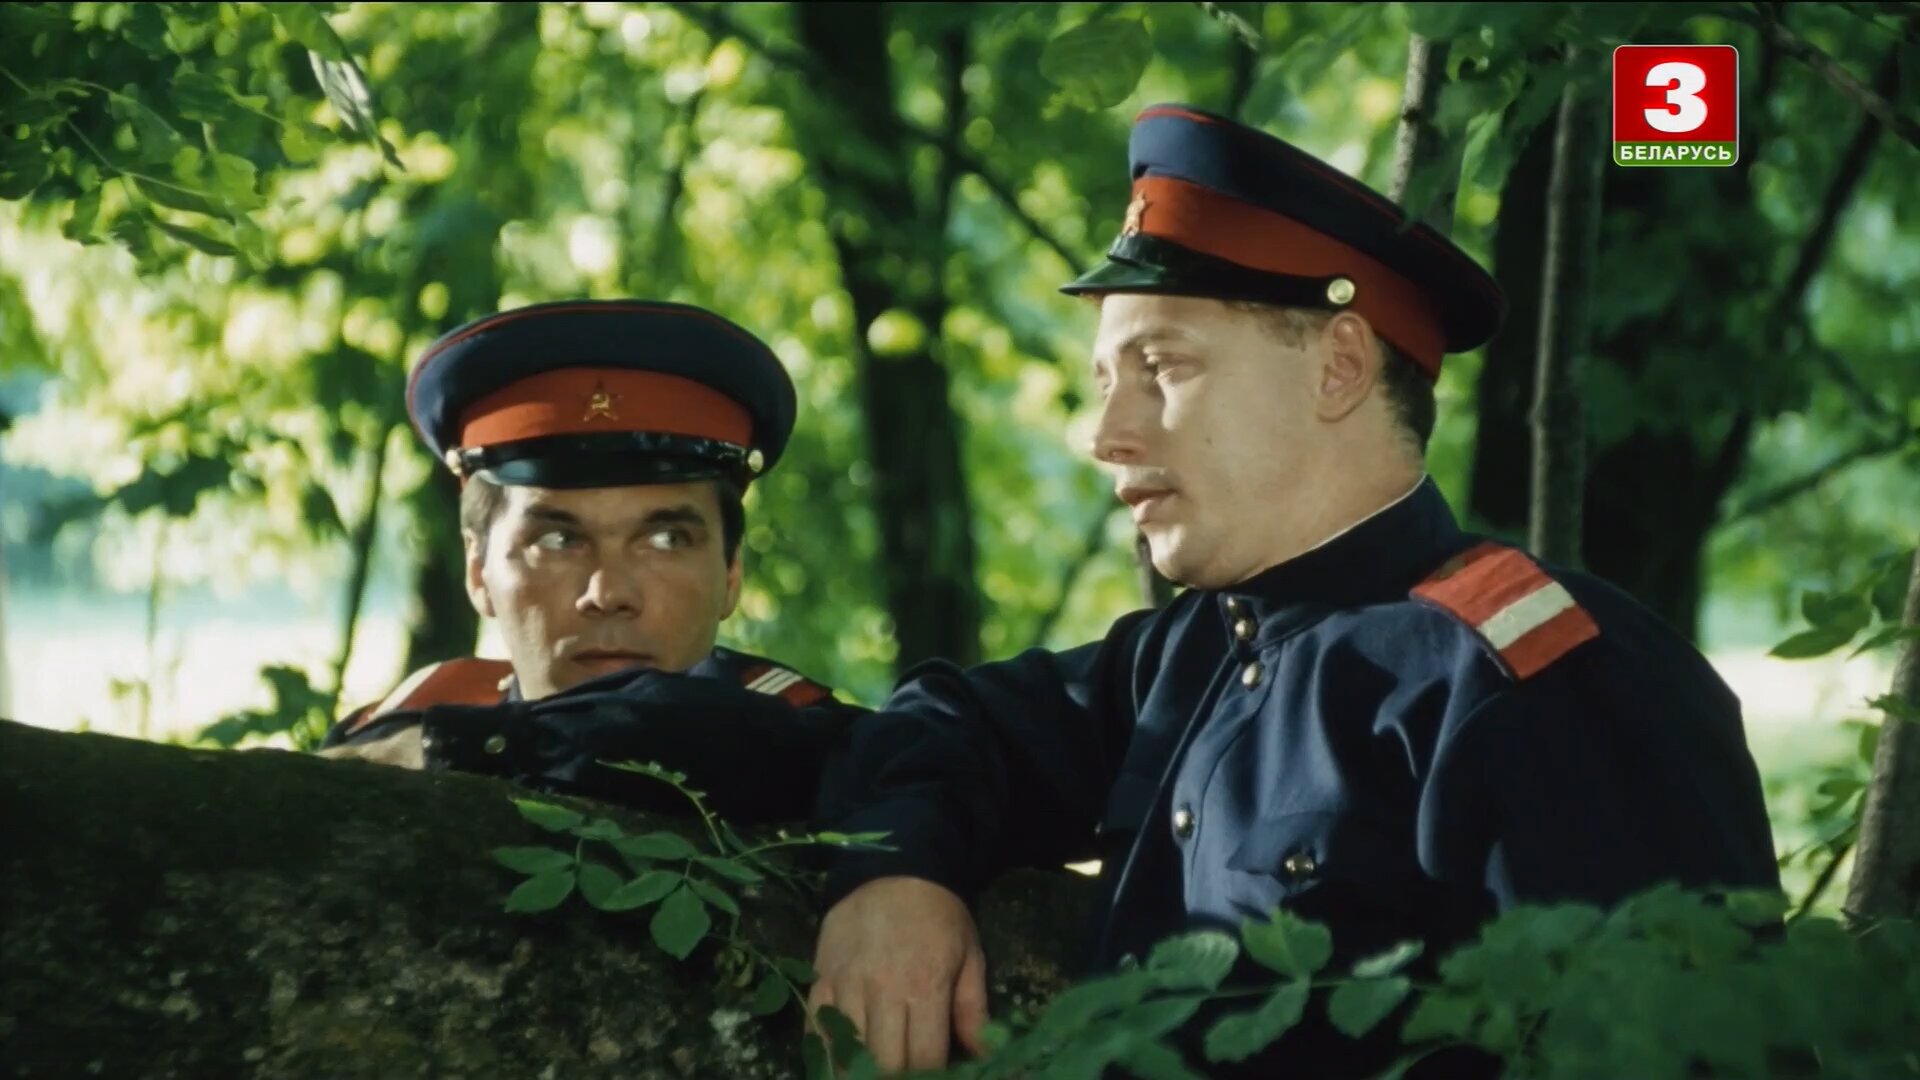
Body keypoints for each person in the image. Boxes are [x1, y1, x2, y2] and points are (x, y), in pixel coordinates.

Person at [805, 104, 1781, 1076]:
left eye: (1161, 368)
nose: (1107, 436)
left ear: (1340, 367)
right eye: (1106, 382)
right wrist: (891, 874)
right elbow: (944, 723)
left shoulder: (1531, 681)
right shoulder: (1192, 655)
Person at [318, 299, 865, 823]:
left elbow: (720, 740)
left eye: (666, 539)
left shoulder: (819, 740)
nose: (608, 593)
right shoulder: (398, 726)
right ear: (479, 571)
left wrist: (462, 749)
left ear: (731, 573)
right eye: (558, 540)